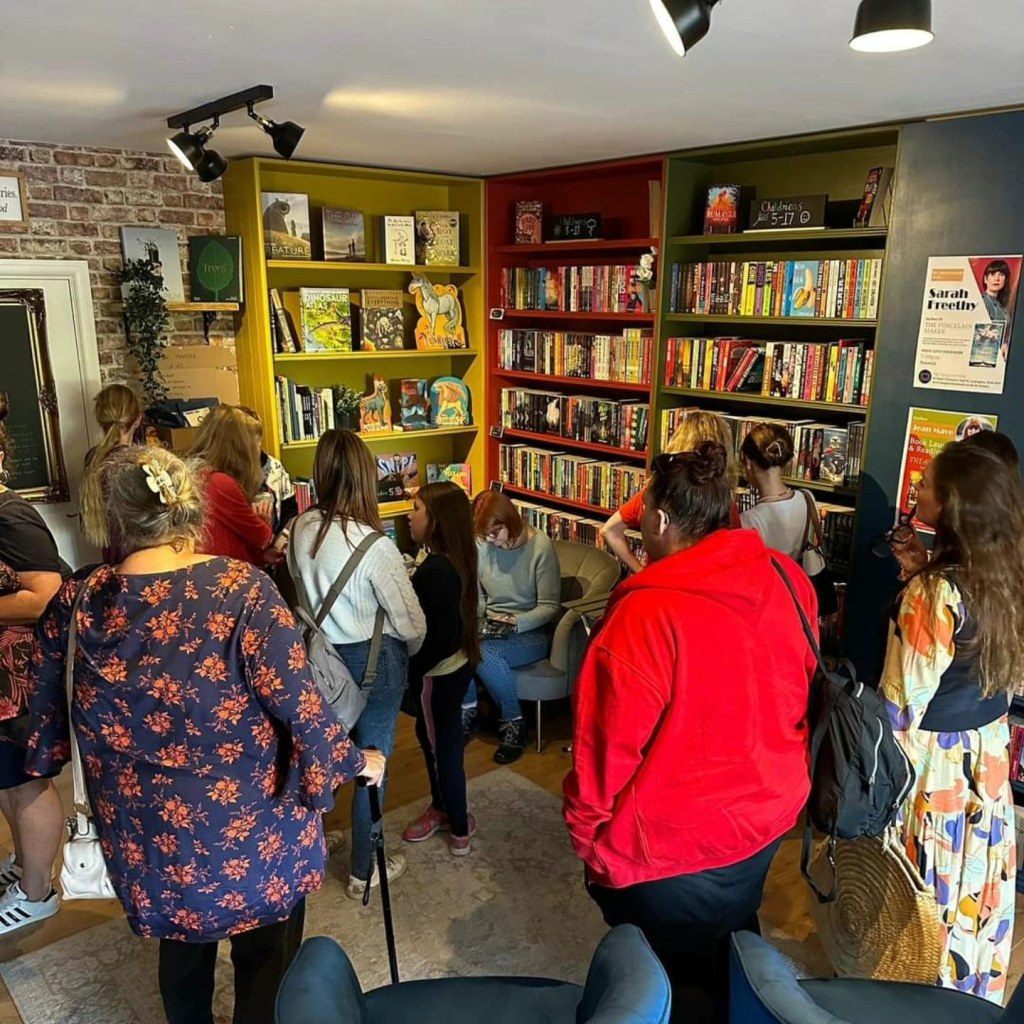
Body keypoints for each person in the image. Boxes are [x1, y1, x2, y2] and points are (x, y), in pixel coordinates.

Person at [26, 445, 385, 1024]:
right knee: (266, 957)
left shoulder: (79, 598)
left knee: (182, 952)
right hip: (254, 834)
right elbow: (304, 713)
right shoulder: (242, 590)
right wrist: (357, 762)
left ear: (111, 518)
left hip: (152, 840)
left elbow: (43, 726)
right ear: (191, 508)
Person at [564, 441, 816, 1024]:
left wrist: (589, 839)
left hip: (673, 843)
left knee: (672, 978)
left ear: (658, 521)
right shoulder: (787, 577)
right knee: (731, 941)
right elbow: (797, 684)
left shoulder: (643, 617)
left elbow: (604, 750)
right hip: (770, 812)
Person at [880, 443, 1023, 1004]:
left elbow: (900, 709)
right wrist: (922, 567)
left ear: (952, 505)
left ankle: (917, 999)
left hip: (936, 768)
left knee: (924, 898)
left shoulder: (933, 593)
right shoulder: (1008, 573)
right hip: (987, 760)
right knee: (973, 887)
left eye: (927, 482)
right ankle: (968, 996)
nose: (917, 486)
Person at [287, 429, 425, 898]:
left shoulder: (299, 529)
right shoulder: (375, 546)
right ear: (367, 476)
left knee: (320, 752)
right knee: (373, 763)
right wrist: (412, 651)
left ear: (320, 474)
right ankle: (364, 870)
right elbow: (412, 623)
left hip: (317, 657)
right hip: (372, 662)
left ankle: (309, 847)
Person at [0, 396, 65, 933]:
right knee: (6, 779)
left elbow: (47, 595)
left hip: (18, 678)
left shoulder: (10, 515)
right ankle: (24, 865)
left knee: (26, 782)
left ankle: (38, 892)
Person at [402, 483, 481, 856]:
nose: (409, 515)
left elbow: (439, 638)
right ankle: (447, 808)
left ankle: (457, 823)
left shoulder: (436, 570)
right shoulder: (458, 558)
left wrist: (412, 670)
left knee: (441, 748)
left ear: (436, 520)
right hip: (455, 668)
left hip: (438, 674)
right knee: (437, 740)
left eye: (416, 509)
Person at [465, 491, 560, 763]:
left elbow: (550, 606)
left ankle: (514, 721)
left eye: (496, 533)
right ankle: (467, 709)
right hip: (492, 625)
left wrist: (518, 622)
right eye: (486, 536)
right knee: (460, 639)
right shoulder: (483, 544)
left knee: (486, 654)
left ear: (510, 520)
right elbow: (480, 595)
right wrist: (476, 622)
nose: (491, 541)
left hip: (531, 630)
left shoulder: (540, 547)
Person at [601, 410, 741, 573]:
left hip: (657, 582)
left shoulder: (655, 494)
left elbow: (610, 530)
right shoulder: (726, 506)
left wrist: (642, 572)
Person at [189, 405, 281, 566]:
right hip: (224, 572)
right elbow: (261, 537)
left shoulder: (199, 476)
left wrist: (260, 556)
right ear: (240, 447)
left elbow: (229, 536)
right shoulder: (221, 484)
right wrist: (263, 519)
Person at [739, 422, 820, 561]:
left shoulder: (748, 521)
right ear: (787, 461)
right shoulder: (807, 498)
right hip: (798, 574)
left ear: (747, 461)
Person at [80, 383, 142, 563]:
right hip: (139, 559)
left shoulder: (92, 457)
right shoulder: (137, 462)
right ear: (137, 419)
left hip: (112, 557)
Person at [238, 406, 297, 532]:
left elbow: (290, 510)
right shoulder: (230, 472)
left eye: (255, 440)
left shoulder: (275, 467)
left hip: (276, 537)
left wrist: (281, 540)